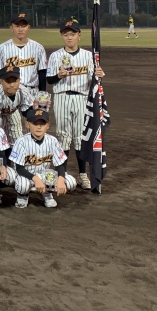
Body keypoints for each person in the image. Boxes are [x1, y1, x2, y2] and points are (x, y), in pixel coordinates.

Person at [46, 21, 105, 190]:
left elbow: (95, 79)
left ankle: (83, 175)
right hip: (62, 97)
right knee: (63, 136)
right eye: (66, 34)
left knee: (80, 137)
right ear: (62, 36)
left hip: (82, 98)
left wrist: (99, 74)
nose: (69, 37)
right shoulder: (55, 56)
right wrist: (58, 75)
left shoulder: (88, 56)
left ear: (79, 35)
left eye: (72, 34)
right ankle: (62, 175)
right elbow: (49, 79)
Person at [9, 105, 77, 208]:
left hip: (45, 176)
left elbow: (59, 165)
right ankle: (22, 195)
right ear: (27, 124)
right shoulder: (21, 141)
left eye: (42, 124)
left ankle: (47, 193)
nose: (39, 127)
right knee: (23, 185)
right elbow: (19, 168)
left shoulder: (52, 141)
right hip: (27, 177)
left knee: (71, 182)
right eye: (35, 123)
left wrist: (60, 179)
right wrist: (36, 179)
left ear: (48, 126)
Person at [0, 12, 47, 93]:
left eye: (23, 26)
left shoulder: (38, 48)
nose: (20, 29)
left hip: (32, 92)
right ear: (11, 28)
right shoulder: (2, 48)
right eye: (17, 26)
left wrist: (42, 94)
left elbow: (42, 73)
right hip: (11, 92)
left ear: (28, 27)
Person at [0, 65, 35, 145]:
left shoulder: (23, 91)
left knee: (17, 141)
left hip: (12, 112)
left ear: (19, 80)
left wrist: (36, 109)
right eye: (8, 81)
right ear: (1, 81)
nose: (12, 85)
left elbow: (26, 112)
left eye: (15, 81)